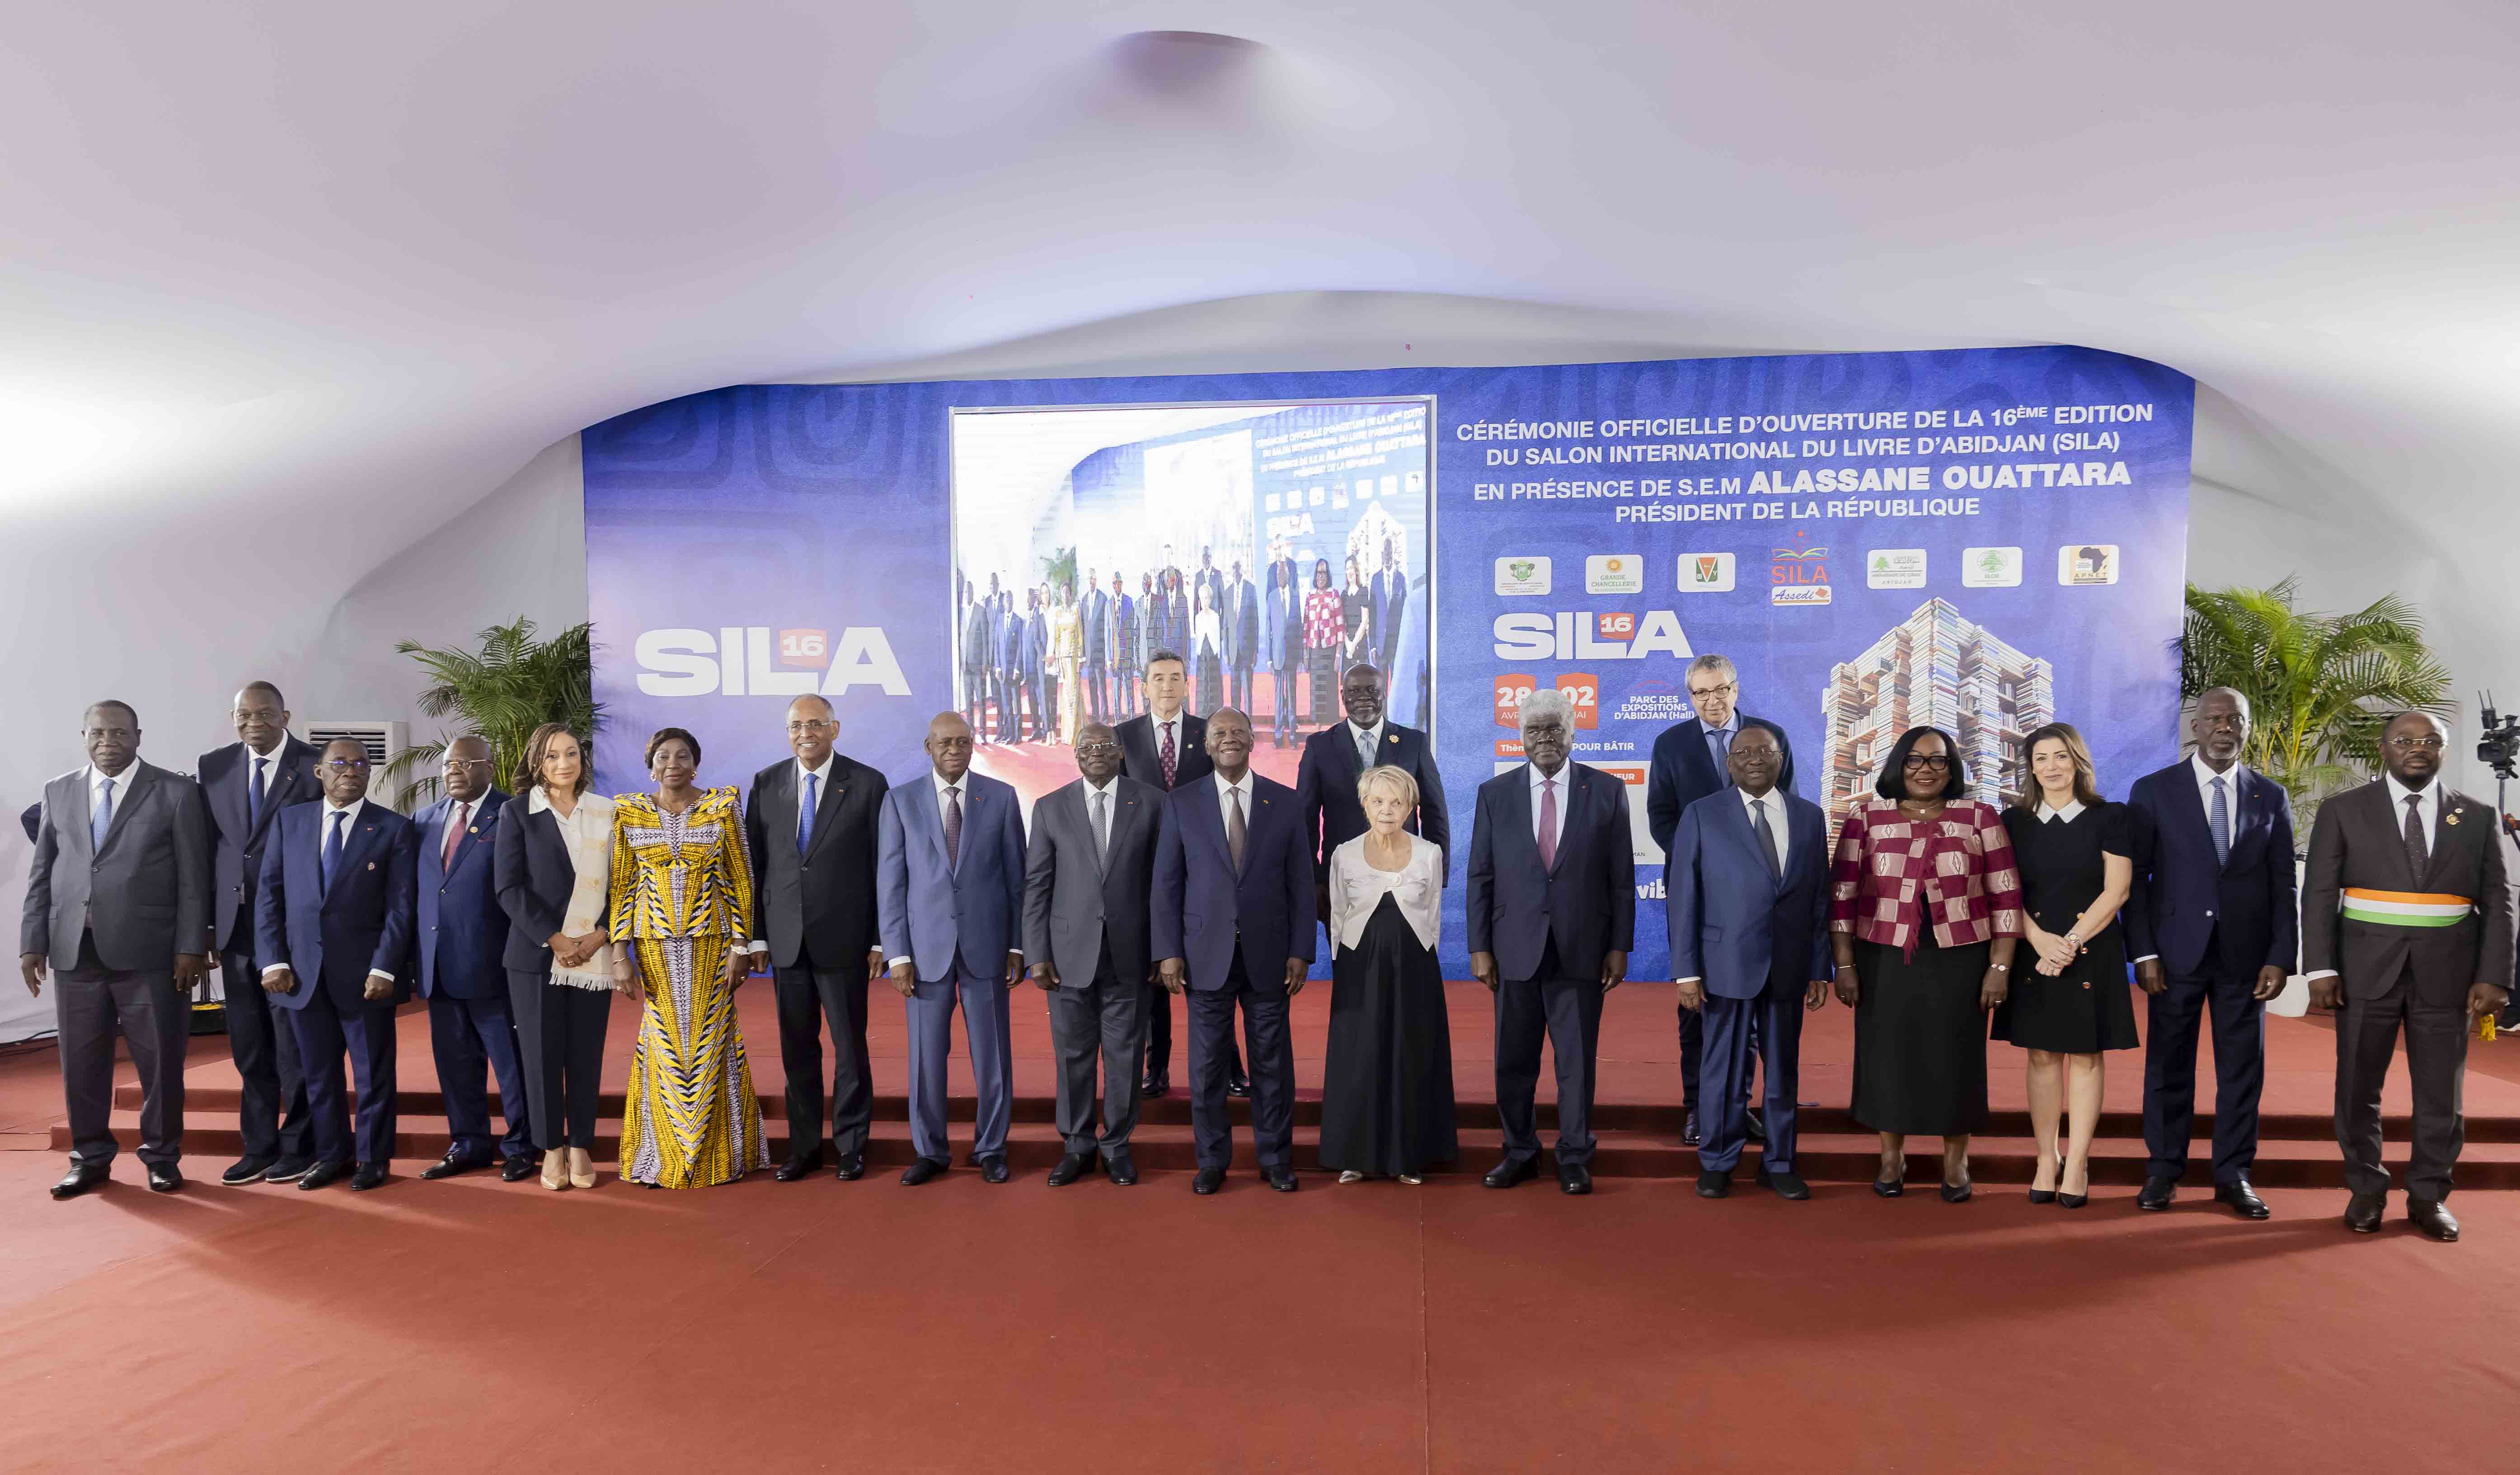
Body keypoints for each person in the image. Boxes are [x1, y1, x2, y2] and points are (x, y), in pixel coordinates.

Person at [2304, 710, 2515, 1241]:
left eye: (2430, 741)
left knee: (2441, 1094)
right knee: (2357, 1088)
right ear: (2384, 748)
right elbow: (2321, 893)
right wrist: (2322, 967)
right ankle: (2366, 1190)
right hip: (2362, 972)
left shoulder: (2477, 814)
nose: (2416, 748)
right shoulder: (2343, 810)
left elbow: (2498, 899)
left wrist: (2496, 975)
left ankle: (2428, 1195)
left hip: (2449, 975)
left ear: (2444, 750)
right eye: (2404, 740)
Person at [22, 701, 211, 1199]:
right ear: (84, 735)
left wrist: (191, 944)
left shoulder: (176, 791)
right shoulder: (58, 791)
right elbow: (43, 872)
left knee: (161, 1063)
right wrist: (32, 941)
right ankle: (89, 1158)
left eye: (120, 733)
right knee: (81, 1063)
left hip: (150, 953)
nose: (109, 741)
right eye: (99, 732)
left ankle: (162, 1156)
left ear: (139, 736)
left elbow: (195, 878)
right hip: (74, 952)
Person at [1829, 726, 2024, 1203]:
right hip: (1884, 956)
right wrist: (1845, 964)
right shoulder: (1865, 818)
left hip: (1961, 959)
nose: (1926, 770)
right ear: (1899, 764)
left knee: (1955, 1057)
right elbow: (1841, 896)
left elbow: (2006, 894)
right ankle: (1892, 1156)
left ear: (1953, 768)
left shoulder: (1980, 817)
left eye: (1938, 761)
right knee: (1887, 1057)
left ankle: (1955, 1160)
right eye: (1915, 760)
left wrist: (1999, 968)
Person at [2121, 687, 2296, 1218]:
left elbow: (2283, 883)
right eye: (2214, 718)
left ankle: (2234, 1174)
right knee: (2168, 1066)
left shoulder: (2271, 795)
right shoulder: (2153, 790)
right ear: (2194, 728)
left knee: (2243, 1070)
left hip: (2246, 959)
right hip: (2176, 954)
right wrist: (2144, 951)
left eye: (2235, 719)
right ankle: (2163, 1170)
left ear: (2247, 727)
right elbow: (2139, 879)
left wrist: (2282, 955)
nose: (2225, 727)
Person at [1466, 689, 1634, 1194]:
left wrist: (1619, 945)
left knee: (1576, 1062)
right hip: (1513, 948)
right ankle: (1519, 1151)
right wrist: (1479, 946)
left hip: (1581, 947)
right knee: (1512, 1060)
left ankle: (1575, 1156)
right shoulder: (1494, 794)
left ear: (1573, 733)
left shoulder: (1606, 790)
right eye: (1534, 730)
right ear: (1520, 736)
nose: (1544, 738)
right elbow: (1481, 875)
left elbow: (1621, 877)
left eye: (1554, 729)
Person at [1152, 709, 1315, 1194]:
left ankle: (1275, 1158)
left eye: (1238, 732)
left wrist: (1302, 949)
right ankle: (1212, 1160)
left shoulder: (1285, 803)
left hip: (1270, 956)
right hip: (1204, 956)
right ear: (1206, 745)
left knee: (1272, 1063)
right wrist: (1168, 951)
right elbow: (1166, 885)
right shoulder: (1181, 803)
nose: (1229, 739)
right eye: (1219, 733)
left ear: (1252, 741)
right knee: (1206, 1067)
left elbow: (1301, 885)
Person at [1667, 725, 1830, 1200]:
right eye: (1743, 752)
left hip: (1788, 965)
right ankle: (1718, 1160)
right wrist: (1687, 971)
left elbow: (1818, 899)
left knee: (1783, 1073)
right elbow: (1683, 897)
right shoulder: (1701, 814)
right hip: (1723, 966)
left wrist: (1820, 967)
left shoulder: (1808, 817)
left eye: (1765, 750)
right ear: (1729, 762)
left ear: (1782, 759)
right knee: (1721, 1073)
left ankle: (1779, 1162)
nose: (1755, 758)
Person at [1645, 653, 1798, 1147]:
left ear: (1736, 688)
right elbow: (1661, 818)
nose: (1712, 700)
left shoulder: (1769, 736)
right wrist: (1706, 865)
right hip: (1695, 894)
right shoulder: (1670, 745)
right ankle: (1699, 1107)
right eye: (1701, 693)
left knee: (1752, 997)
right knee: (1697, 1001)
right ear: (1690, 696)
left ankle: (1740, 1104)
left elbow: (1785, 811)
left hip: (1759, 898)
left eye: (1720, 689)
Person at [609, 727, 769, 1189]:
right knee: (662, 1046)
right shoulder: (629, 811)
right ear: (651, 764)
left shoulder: (722, 805)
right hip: (654, 946)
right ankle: (661, 1154)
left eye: (682, 755)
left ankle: (721, 1156)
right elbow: (622, 884)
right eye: (663, 756)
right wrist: (620, 952)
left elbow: (742, 878)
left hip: (712, 946)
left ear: (696, 762)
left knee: (711, 1043)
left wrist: (742, 944)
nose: (673, 763)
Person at [255, 738, 416, 1193]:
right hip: (301, 977)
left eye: (362, 764)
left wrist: (385, 968)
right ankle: (331, 1155)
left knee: (372, 1075)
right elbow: (269, 898)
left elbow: (400, 908)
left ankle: (372, 1158)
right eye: (340, 763)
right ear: (319, 772)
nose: (352, 770)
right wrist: (273, 960)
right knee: (318, 1075)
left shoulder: (393, 828)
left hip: (367, 979)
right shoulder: (290, 823)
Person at [746, 695, 890, 1182]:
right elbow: (757, 867)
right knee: (797, 1050)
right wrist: (757, 937)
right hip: (787, 944)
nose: (804, 732)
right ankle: (804, 1148)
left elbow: (882, 870)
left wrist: (878, 938)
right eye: (795, 725)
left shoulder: (868, 784)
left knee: (850, 1048)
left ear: (835, 728)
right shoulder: (766, 783)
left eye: (814, 724)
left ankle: (852, 1147)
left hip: (845, 941)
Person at [879, 712, 1027, 1185]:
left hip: (986, 947)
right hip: (924, 954)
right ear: (928, 746)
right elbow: (891, 883)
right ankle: (930, 1150)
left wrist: (1018, 945)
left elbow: (1017, 880)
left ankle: (991, 1147)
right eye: (945, 742)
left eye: (963, 741)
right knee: (926, 1056)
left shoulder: (1001, 797)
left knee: (993, 1054)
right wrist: (897, 954)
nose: (954, 749)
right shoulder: (900, 801)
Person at [1023, 721, 1172, 1186]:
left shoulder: (1152, 802)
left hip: (1133, 952)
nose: (1097, 752)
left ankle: (1117, 1145)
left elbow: (1163, 885)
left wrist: (1164, 948)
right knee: (1073, 1054)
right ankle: (1077, 1145)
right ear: (1075, 753)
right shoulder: (1050, 808)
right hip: (1067, 956)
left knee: (1126, 1055)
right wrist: (1036, 952)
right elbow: (1037, 886)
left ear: (1121, 751)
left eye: (1107, 745)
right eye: (1088, 746)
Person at [1994, 724, 2136, 1208]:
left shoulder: (2110, 817)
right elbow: (2003, 892)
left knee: (2086, 1055)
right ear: (2029, 766)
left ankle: (2077, 1162)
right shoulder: (2012, 822)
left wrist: (2069, 944)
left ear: (2078, 761)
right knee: (2040, 1055)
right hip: (2034, 948)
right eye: (2040, 758)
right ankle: (2045, 1158)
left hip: (2089, 948)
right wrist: (2037, 940)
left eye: (2060, 756)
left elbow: (2117, 890)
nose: (2051, 767)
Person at [195, 681, 321, 1184]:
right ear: (233, 717)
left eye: (265, 714)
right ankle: (260, 1145)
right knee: (249, 1046)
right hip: (234, 930)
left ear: (285, 715)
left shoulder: (316, 764)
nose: (254, 723)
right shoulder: (215, 766)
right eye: (244, 715)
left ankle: (301, 1144)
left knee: (294, 1045)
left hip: (292, 928)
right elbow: (209, 849)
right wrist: (205, 923)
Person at [493, 723, 617, 1192]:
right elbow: (508, 887)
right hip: (536, 956)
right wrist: (556, 939)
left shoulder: (607, 812)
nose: (563, 763)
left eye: (571, 754)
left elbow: (624, 881)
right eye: (551, 756)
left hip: (595, 952)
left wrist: (600, 934)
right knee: (541, 1055)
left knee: (585, 1052)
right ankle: (551, 1148)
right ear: (536, 763)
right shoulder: (517, 812)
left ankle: (581, 1144)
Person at [1320, 765, 1456, 1183]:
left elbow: (1432, 915)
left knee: (1411, 1052)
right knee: (1358, 1055)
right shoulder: (1343, 853)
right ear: (1364, 804)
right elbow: (1337, 913)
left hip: (1415, 969)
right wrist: (1344, 966)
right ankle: (1354, 1154)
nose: (1387, 810)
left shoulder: (1430, 853)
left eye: (1397, 802)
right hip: (1359, 967)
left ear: (1411, 807)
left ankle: (1408, 1155)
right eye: (1378, 801)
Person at [412, 738, 535, 1182]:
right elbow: (421, 894)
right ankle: (468, 1143)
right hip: (438, 968)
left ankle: (522, 1145)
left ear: (491, 767)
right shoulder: (424, 820)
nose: (454, 771)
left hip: (495, 967)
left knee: (512, 1066)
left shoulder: (512, 815)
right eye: (448, 764)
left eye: (465, 763)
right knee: (455, 1065)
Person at [1297, 664, 1452, 926]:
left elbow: (1435, 814)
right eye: (1355, 691)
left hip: (1406, 879)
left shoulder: (1414, 743)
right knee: (1348, 964)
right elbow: (1305, 821)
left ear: (1385, 693)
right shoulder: (1319, 747)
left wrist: (1436, 875)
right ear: (1342, 695)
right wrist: (1315, 880)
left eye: (1372, 691)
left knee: (1405, 965)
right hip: (1342, 881)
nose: (1364, 698)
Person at [1261, 557, 1303, 747]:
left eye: (1282, 574)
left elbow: (1299, 628)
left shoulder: (1296, 596)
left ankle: (1293, 734)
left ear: (1288, 576)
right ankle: (1278, 735)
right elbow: (1268, 628)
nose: (1280, 577)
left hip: (1292, 656)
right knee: (1278, 697)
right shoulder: (1271, 597)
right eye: (1277, 574)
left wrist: (1301, 656)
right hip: (1277, 655)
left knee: (1292, 696)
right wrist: (1269, 659)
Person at [1302, 558, 1341, 727]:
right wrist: (1305, 653)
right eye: (1318, 573)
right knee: (1317, 686)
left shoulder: (1334, 595)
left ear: (1328, 575)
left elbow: (1340, 626)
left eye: (1324, 573)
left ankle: (1331, 725)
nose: (1321, 577)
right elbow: (1306, 625)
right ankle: (1318, 724)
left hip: (1330, 649)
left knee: (1329, 687)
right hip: (1314, 650)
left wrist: (1338, 655)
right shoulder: (1310, 596)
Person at [962, 576, 996, 741]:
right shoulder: (961, 613)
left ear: (973, 593)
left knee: (981, 702)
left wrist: (986, 664)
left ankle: (983, 733)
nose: (967, 594)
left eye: (969, 591)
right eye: (965, 591)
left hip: (979, 668)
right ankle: (971, 734)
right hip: (966, 666)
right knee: (968, 704)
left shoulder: (980, 611)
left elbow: (986, 639)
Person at [1051, 581, 1084, 744]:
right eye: (1063, 592)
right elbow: (1057, 638)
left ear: (1071, 595)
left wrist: (1081, 658)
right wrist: (1057, 661)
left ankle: (1076, 732)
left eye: (1068, 593)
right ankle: (1067, 733)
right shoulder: (1058, 613)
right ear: (1060, 594)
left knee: (1074, 694)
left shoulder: (1075, 611)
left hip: (1074, 657)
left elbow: (1080, 635)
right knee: (1066, 695)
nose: (1065, 595)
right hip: (1063, 658)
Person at [1224, 558, 1258, 715]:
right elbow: (1226, 624)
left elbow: (1255, 622)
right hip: (1232, 651)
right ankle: (1236, 721)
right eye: (1234, 568)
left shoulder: (1251, 590)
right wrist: (1225, 651)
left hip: (1247, 650)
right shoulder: (1228, 592)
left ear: (1242, 570)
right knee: (1234, 691)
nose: (1236, 571)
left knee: (1248, 691)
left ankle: (1248, 724)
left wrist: (1255, 651)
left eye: (1238, 568)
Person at [994, 584, 1028, 744]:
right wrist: (998, 667)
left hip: (1013, 671)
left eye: (1010, 599)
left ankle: (1017, 736)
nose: (1008, 601)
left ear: (1013, 602)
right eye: (1006, 599)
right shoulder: (999, 620)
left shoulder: (1018, 621)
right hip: (1002, 672)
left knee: (1016, 704)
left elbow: (1021, 646)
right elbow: (996, 644)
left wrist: (1017, 668)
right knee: (1007, 705)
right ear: (1003, 602)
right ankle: (1009, 734)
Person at [1080, 567, 1110, 725]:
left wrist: (1107, 655)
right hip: (1089, 655)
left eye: (1093, 578)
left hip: (1100, 654)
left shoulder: (1103, 599)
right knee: (1092, 688)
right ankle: (1096, 718)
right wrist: (1084, 653)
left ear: (1096, 580)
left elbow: (1105, 628)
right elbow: (1084, 628)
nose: (1090, 581)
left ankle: (1105, 719)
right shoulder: (1084, 601)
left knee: (1102, 688)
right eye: (1088, 578)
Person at [1190, 581, 1224, 715]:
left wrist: (1217, 654)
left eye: (1207, 598)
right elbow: (1198, 639)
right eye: (1202, 598)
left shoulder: (1216, 617)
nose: (1204, 602)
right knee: (1202, 687)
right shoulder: (1197, 618)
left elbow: (1217, 640)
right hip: (1202, 660)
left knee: (1213, 687)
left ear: (1211, 599)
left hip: (1213, 659)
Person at [1024, 586, 1053, 743]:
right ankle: (1035, 729)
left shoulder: (1040, 616)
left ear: (1034, 599)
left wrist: (1043, 658)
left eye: (1028, 599)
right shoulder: (1026, 618)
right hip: (1028, 668)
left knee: (1042, 699)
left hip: (1039, 666)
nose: (1026, 602)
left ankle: (1045, 731)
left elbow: (1040, 639)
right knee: (1032, 701)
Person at [1110, 571, 1140, 719]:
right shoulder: (1109, 604)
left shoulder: (1129, 602)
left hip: (1128, 655)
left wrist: (1134, 656)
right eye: (1115, 583)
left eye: (1119, 582)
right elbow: (1107, 632)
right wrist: (1108, 659)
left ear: (1122, 584)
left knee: (1129, 690)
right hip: (1115, 657)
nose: (1117, 585)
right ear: (1113, 585)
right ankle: (1117, 720)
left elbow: (1133, 631)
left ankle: (1132, 718)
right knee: (1116, 691)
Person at [1340, 554, 1373, 672]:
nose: (1350, 572)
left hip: (1360, 645)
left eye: (1352, 568)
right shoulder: (1343, 595)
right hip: (1348, 646)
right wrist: (1348, 644)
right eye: (1347, 569)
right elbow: (1341, 623)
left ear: (1356, 570)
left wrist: (1354, 644)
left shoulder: (1363, 591)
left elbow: (1365, 622)